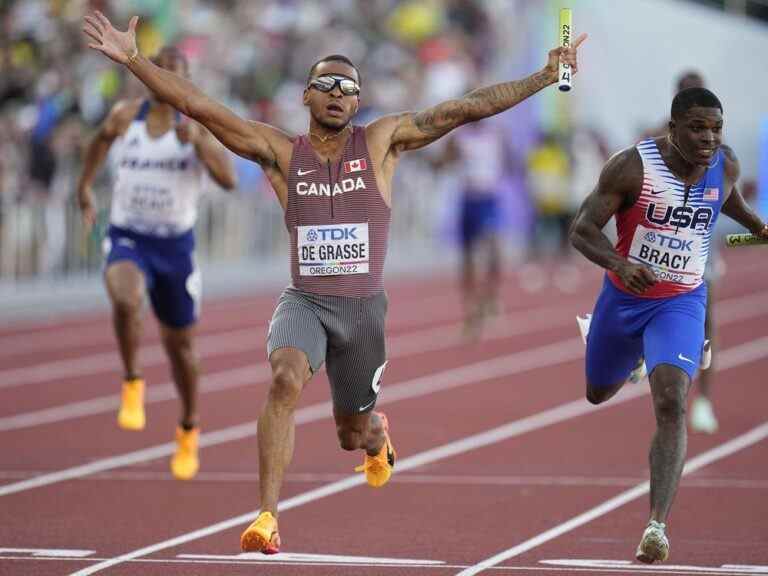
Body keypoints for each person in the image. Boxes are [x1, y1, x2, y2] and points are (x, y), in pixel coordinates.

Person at [83, 10, 585, 554]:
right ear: (306, 96)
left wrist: (543, 75)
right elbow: (197, 106)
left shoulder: (383, 142)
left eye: (348, 88)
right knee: (283, 379)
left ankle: (377, 438)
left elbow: (463, 110)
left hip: (364, 311)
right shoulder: (278, 152)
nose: (338, 94)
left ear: (358, 101)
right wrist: (133, 59)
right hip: (305, 301)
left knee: (352, 433)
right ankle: (267, 517)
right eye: (326, 84)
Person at [570, 87, 768, 564]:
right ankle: (634, 356)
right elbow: (580, 229)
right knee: (598, 392)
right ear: (673, 128)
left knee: (673, 398)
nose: (708, 138)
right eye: (698, 128)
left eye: (716, 128)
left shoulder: (725, 164)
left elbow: (726, 201)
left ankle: (655, 526)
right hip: (625, 297)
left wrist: (759, 227)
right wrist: (619, 265)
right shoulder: (631, 167)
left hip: (682, 299)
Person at [75, 46, 237, 481]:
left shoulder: (198, 127)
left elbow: (229, 180)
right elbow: (98, 143)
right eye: (162, 72)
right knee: (126, 299)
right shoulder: (126, 116)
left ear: (188, 82)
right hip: (129, 235)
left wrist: (202, 146)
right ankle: (132, 381)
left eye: (179, 74)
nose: (169, 81)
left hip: (176, 248)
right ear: (149, 76)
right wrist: (86, 186)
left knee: (180, 349)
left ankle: (188, 425)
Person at [641, 70, 720, 433]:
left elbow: (725, 188)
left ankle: (703, 400)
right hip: (658, 243)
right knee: (644, 304)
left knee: (706, 321)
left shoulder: (714, 142)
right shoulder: (655, 141)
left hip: (698, 245)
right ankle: (636, 353)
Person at [435, 120, 508, 340]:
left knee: (494, 250)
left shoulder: (497, 131)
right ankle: (471, 308)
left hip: (489, 198)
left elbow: (510, 160)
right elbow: (441, 163)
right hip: (469, 200)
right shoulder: (459, 136)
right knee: (468, 258)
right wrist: (447, 156)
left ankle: (490, 297)